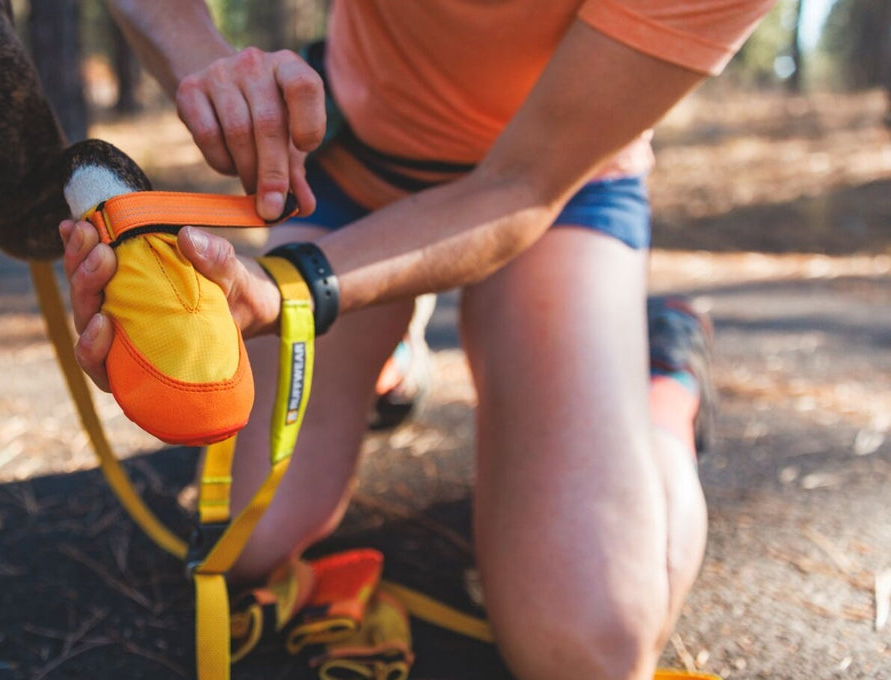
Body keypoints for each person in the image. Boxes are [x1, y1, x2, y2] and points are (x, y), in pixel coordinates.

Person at [62, 1, 771, 678]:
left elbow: (523, 182)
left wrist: (293, 289)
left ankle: (661, 376)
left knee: (587, 649)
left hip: (558, 191)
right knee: (253, 543)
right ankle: (387, 354)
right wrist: (208, 66)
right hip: (354, 173)